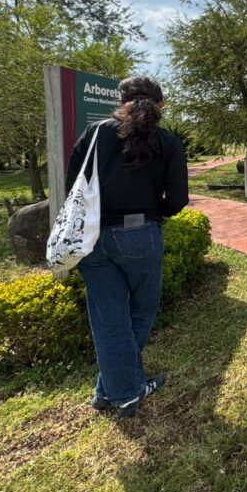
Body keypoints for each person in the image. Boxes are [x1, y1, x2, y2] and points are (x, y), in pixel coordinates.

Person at [66, 76, 189, 418]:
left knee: (108, 317)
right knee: (139, 312)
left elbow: (71, 186)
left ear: (120, 102)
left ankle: (109, 390)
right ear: (160, 105)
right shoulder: (166, 141)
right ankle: (126, 392)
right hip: (139, 233)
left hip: (90, 236)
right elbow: (178, 199)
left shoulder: (94, 134)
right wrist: (155, 213)